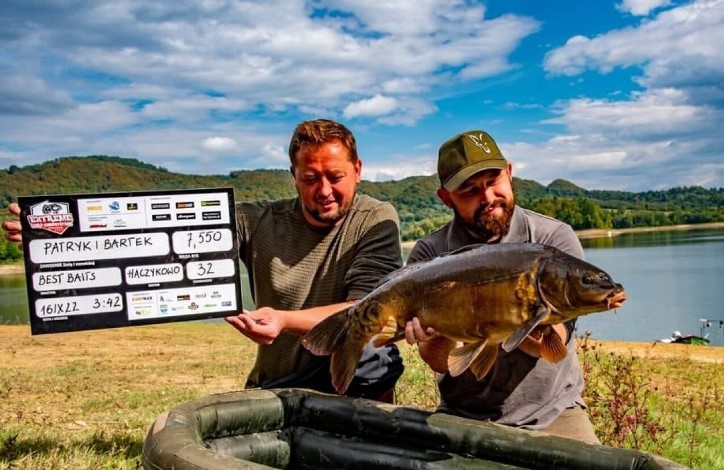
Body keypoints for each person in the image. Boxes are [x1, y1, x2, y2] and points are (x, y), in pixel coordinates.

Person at [2, 119, 404, 402]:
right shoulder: (257, 219)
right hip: (279, 377)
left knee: (372, 350)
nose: (324, 190)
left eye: (335, 176)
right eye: (310, 178)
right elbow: (160, 240)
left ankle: (373, 430)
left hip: (345, 368)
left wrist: (282, 321)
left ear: (357, 170)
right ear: (293, 175)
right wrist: (61, 233)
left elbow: (367, 307)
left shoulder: (376, 218)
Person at [403, 130, 602, 443]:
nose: (487, 198)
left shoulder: (553, 241)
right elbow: (440, 361)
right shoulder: (429, 257)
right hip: (462, 412)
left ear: (509, 173)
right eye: (469, 191)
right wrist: (437, 332)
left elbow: (549, 348)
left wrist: (505, 313)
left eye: (493, 181)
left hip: (553, 410)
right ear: (446, 198)